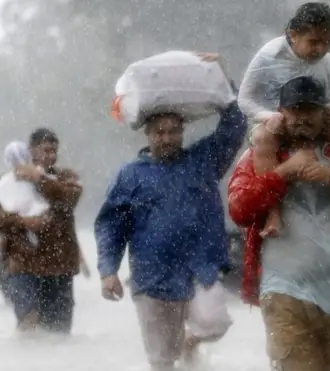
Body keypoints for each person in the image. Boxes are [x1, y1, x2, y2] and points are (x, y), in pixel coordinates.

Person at [228, 76, 330, 371]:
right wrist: (282, 174)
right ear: (281, 112)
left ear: (324, 113)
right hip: (283, 291)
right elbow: (239, 209)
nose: (302, 119)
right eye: (295, 110)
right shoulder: (259, 154)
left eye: (310, 111)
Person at [95, 64, 247, 371]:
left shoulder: (203, 161)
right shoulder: (130, 175)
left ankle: (190, 343)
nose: (167, 138)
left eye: (174, 131)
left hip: (199, 267)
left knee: (214, 322)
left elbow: (235, 125)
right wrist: (108, 270)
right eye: (160, 132)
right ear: (148, 134)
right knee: (161, 361)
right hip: (152, 277)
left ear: (182, 131)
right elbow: (111, 226)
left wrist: (220, 80)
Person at [238, 2, 330, 238]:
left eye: (327, 42)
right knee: (262, 136)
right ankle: (273, 212)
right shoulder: (268, 55)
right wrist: (269, 116)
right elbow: (244, 99)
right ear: (293, 35)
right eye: (314, 42)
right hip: (276, 123)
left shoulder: (326, 61)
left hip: (316, 122)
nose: (320, 49)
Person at [0, 128, 84, 334]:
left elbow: (67, 200)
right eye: (46, 150)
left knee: (59, 332)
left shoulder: (66, 177)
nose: (51, 156)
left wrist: (39, 179)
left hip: (59, 266)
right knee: (29, 325)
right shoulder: (6, 182)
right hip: (22, 265)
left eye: (54, 151)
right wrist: (22, 222)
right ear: (31, 151)